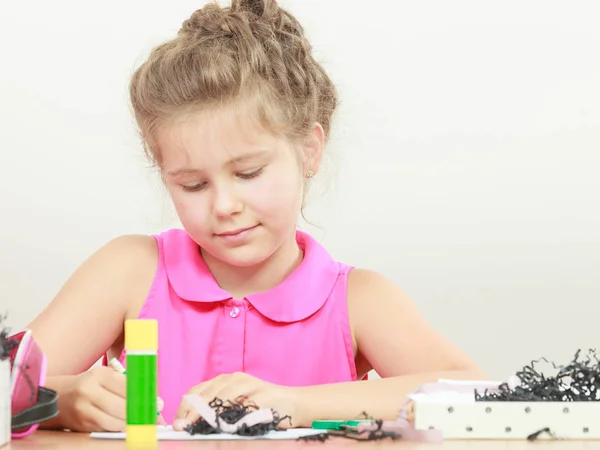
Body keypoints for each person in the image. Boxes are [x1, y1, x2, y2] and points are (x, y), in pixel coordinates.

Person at [26, 0, 484, 433]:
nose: (224, 206)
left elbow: (473, 393)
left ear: (309, 150)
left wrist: (298, 405)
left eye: (247, 173)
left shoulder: (355, 299)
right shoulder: (131, 271)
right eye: (193, 185)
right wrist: (61, 400)